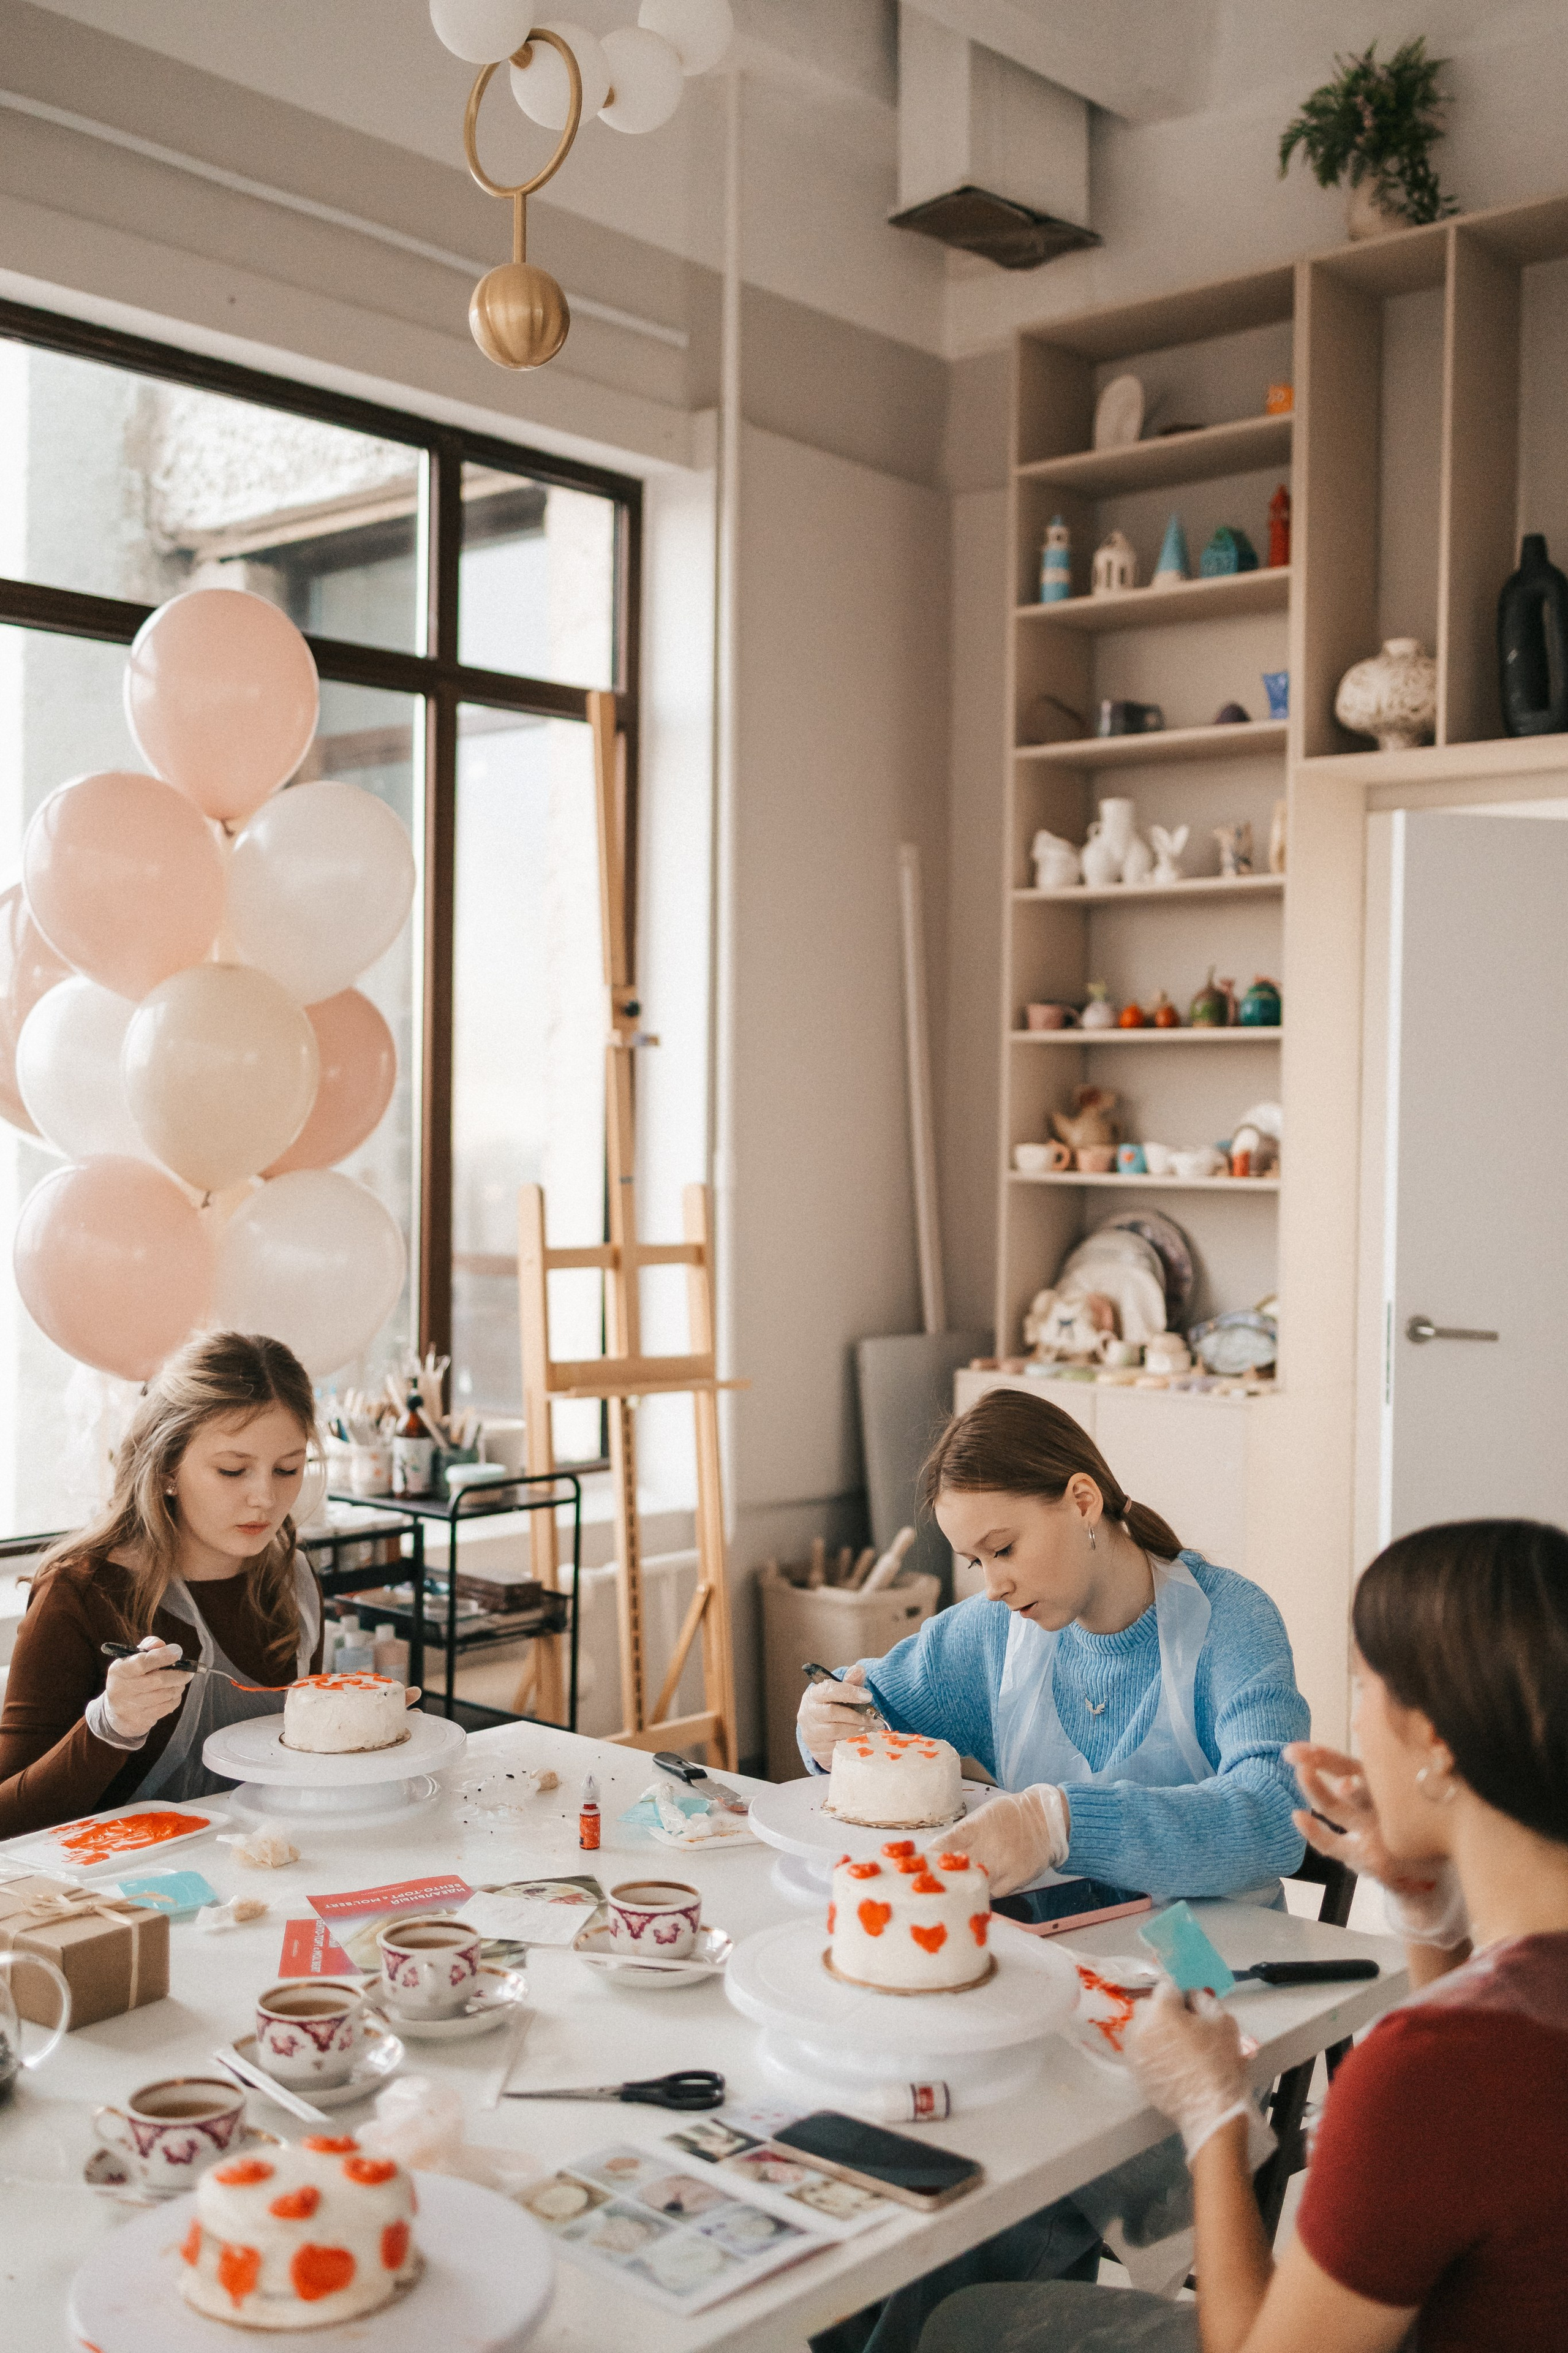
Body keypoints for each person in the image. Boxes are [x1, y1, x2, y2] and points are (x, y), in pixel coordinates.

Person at [915, 1516, 1568, 2353]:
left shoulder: (1422, 2072)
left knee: (961, 2325)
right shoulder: (1481, 2049)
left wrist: (1214, 2116)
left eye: (1363, 1688)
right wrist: (1427, 1907)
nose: (1353, 1726)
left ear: (1436, 1744)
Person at [802, 1386, 1309, 2353]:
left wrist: (1061, 1819)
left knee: (996, 2167)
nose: (991, 1582)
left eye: (1003, 1548)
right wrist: (827, 1723)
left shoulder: (1231, 1623)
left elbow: (1274, 1817)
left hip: (1203, 1960)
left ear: (1083, 1501)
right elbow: (872, 1696)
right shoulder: (1000, 1629)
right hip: (1061, 1956)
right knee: (885, 2143)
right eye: (974, 1560)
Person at [0, 1329, 324, 1837]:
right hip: (115, 1901)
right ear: (168, 1466)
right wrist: (111, 1727)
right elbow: (8, 1823)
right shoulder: (81, 1592)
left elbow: (302, 1778)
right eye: (233, 1470)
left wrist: (364, 1730)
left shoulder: (291, 1581)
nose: (265, 1497)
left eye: (289, 1468)